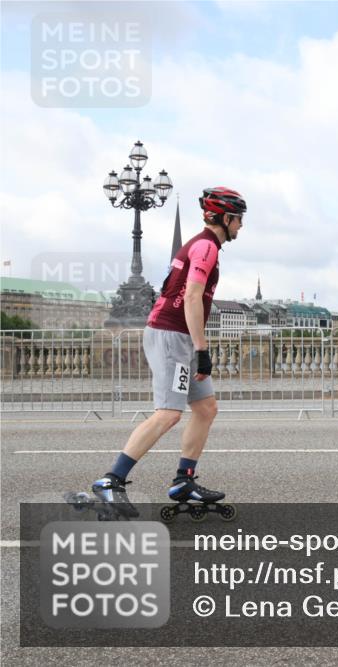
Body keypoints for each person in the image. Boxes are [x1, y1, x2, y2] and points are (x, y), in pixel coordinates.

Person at [90, 187, 246, 516]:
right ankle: (111, 481)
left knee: (205, 408)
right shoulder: (205, 246)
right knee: (169, 413)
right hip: (172, 336)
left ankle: (183, 480)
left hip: (182, 336)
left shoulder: (201, 246)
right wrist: (202, 349)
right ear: (224, 218)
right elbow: (191, 297)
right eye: (238, 219)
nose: (241, 226)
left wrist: (196, 345)